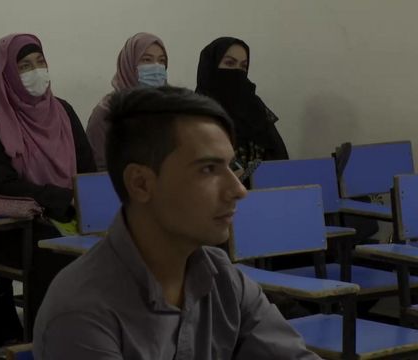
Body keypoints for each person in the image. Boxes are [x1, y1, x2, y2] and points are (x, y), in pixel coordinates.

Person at [33, 86, 320, 359]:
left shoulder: (224, 280)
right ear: (141, 183)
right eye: (208, 169)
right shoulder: (82, 312)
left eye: (230, 166)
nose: (239, 189)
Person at [0, 33, 96, 344]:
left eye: (40, 62)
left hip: (70, 214)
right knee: (55, 251)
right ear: (6, 74)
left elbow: (88, 170)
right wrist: (60, 199)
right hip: (15, 228)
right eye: (25, 66)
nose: (36, 72)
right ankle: (52, 342)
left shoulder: (63, 112)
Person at [195, 37, 288, 170]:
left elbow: (280, 160)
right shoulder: (196, 114)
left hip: (263, 190)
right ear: (211, 66)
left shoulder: (255, 107)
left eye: (243, 66)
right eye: (230, 63)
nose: (237, 71)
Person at [86, 32, 168, 170]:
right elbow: (98, 169)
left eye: (161, 61)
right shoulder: (107, 112)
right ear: (129, 64)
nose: (156, 67)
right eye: (147, 60)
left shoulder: (172, 109)